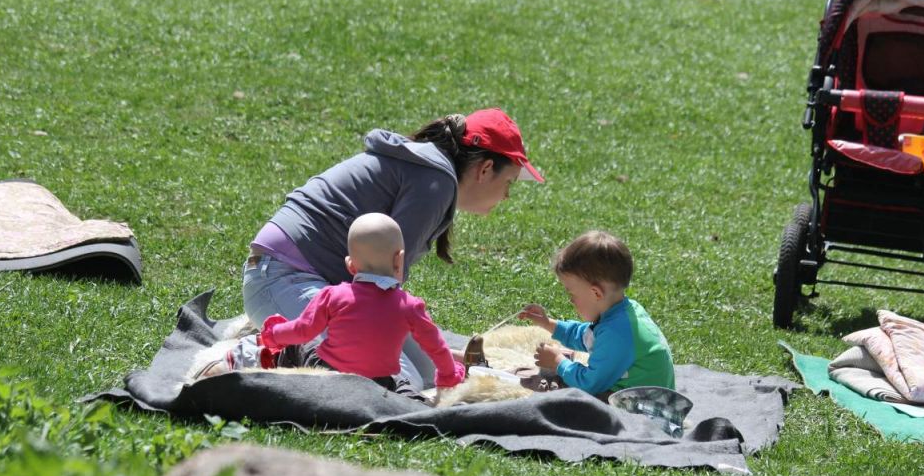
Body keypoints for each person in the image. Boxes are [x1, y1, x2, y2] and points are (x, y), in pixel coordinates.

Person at [242, 108, 543, 391]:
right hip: (282, 276)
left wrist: (441, 355)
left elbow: (380, 296)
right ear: (486, 169)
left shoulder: (433, 175)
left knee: (427, 374)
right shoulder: (436, 182)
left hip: (300, 279)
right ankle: (252, 356)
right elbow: (380, 298)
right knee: (397, 380)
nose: (506, 195)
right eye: (509, 183)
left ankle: (285, 346)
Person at [205, 213, 466, 396]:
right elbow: (435, 347)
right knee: (407, 387)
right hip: (380, 382)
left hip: (326, 372)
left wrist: (272, 334)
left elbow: (302, 330)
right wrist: (449, 375)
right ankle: (409, 403)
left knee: (300, 346)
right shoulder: (410, 306)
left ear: (350, 265)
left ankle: (252, 356)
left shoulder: (333, 296)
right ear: (399, 260)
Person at [518, 230, 675, 397]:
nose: (571, 301)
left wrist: (558, 363)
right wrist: (547, 323)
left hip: (641, 405)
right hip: (643, 395)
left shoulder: (616, 334)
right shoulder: (623, 313)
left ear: (596, 293)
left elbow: (589, 384)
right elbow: (585, 335)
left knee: (564, 400)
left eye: (572, 294)